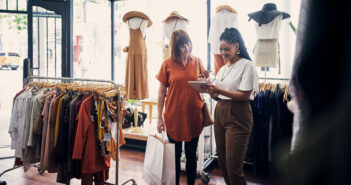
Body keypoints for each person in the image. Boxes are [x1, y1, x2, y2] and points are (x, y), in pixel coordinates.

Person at [207, 27, 258, 185]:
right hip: (220, 112)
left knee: (233, 168)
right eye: (221, 49)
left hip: (238, 115)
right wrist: (210, 91)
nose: (223, 52)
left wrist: (219, 89)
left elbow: (244, 95)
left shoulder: (247, 65)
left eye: (227, 49)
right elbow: (219, 96)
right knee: (223, 163)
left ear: (237, 46)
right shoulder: (222, 69)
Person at [156, 30, 207, 185]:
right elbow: (161, 92)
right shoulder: (167, 64)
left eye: (188, 43)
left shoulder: (197, 61)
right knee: (175, 156)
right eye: (182, 45)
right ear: (175, 47)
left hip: (194, 115)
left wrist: (204, 82)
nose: (187, 48)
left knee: (191, 155)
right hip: (174, 116)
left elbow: (206, 85)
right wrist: (159, 117)